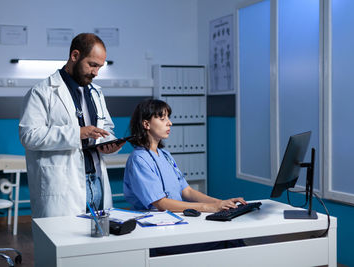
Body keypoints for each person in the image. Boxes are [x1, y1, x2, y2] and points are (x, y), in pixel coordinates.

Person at [19, 33, 123, 218]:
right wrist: (78, 133)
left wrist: (109, 143)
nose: (96, 73)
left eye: (99, 67)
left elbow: (106, 127)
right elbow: (29, 136)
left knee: (100, 243)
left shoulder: (96, 92)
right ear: (75, 56)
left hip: (96, 180)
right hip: (63, 186)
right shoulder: (42, 92)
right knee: (66, 243)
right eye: (92, 65)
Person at [124, 99, 247, 212]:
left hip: (174, 218)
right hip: (154, 220)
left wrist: (221, 203)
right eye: (162, 119)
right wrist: (209, 207)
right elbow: (160, 203)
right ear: (146, 124)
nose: (169, 123)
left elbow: (186, 191)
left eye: (168, 117)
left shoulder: (165, 155)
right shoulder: (139, 159)